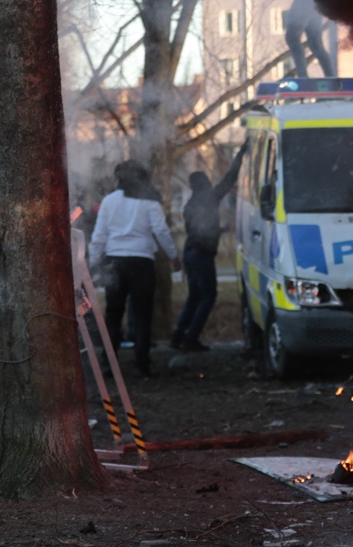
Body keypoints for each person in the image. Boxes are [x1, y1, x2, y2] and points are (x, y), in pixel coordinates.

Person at [89, 160, 180, 378]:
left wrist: (93, 262)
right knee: (142, 315)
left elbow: (99, 235)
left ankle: (109, 364)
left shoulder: (109, 201)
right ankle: (141, 365)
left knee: (113, 313)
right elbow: (161, 231)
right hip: (141, 262)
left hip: (115, 262)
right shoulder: (149, 202)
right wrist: (173, 256)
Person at [172, 144, 248, 352]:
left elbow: (200, 231)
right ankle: (191, 338)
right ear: (204, 184)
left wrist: (220, 229)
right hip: (202, 256)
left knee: (194, 297)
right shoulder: (210, 198)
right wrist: (240, 154)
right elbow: (229, 178)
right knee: (208, 296)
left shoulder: (189, 206)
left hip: (189, 253)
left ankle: (178, 336)